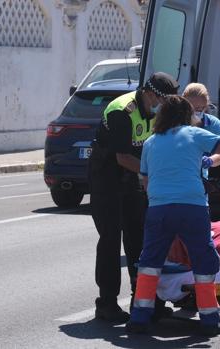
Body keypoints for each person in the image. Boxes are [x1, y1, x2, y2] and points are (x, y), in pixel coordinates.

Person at [126, 95, 220, 335]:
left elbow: (146, 181)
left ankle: (139, 317)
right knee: (203, 261)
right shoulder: (195, 135)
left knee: (150, 262)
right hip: (192, 206)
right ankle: (209, 320)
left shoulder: (151, 142)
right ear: (185, 115)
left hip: (159, 208)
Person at [89, 72, 179, 323]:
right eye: (162, 100)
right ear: (150, 93)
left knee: (139, 239)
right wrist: (153, 175)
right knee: (110, 239)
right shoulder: (122, 110)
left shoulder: (157, 110)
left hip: (133, 179)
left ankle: (145, 300)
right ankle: (106, 303)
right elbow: (123, 157)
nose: (163, 106)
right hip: (107, 178)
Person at [182, 83, 220, 177]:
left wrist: (210, 160)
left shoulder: (213, 124)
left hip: (199, 180)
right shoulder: (175, 123)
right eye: (195, 108)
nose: (199, 112)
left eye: (202, 108)